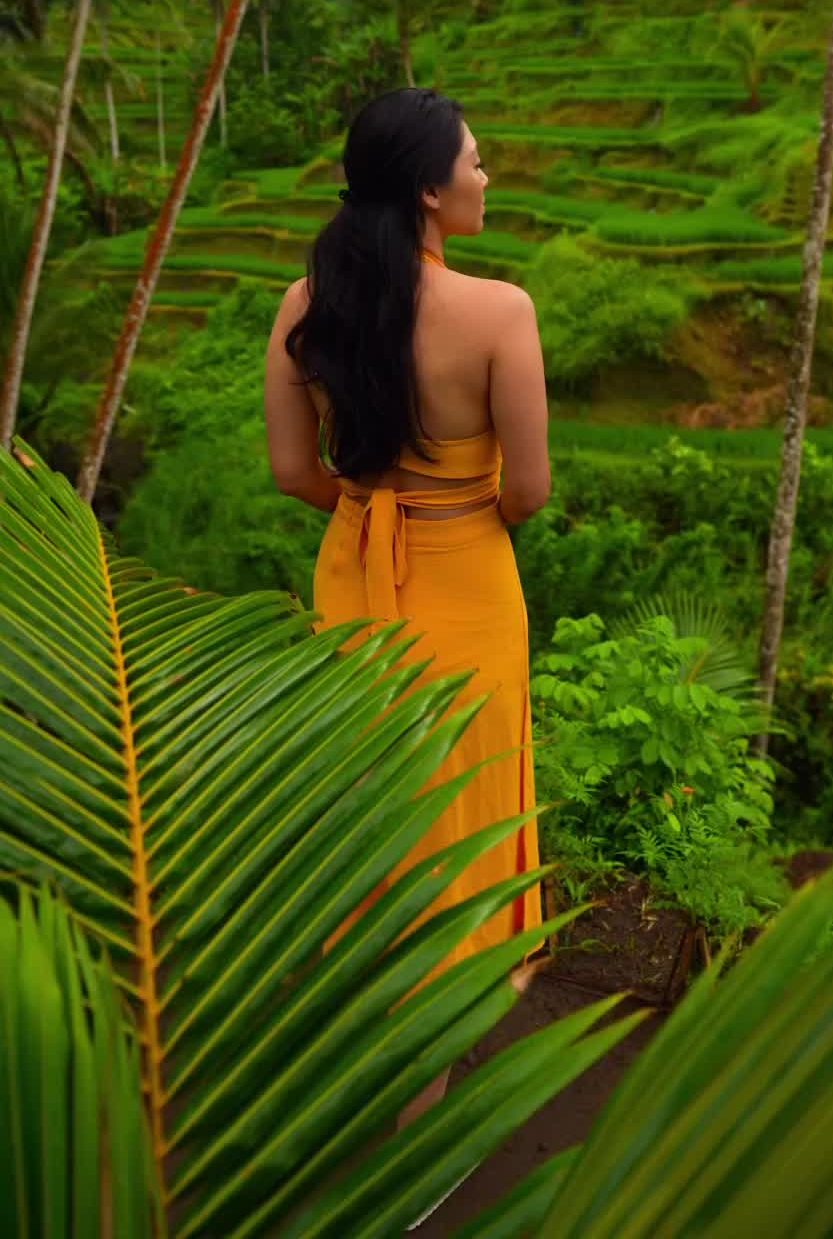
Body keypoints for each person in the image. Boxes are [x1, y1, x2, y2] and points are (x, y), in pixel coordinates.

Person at [264, 86, 551, 1137]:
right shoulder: (498, 314)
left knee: (376, 827)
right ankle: (418, 1134)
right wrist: (445, 510)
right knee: (454, 827)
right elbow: (527, 491)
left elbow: (294, 470)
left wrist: (374, 508)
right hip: (466, 577)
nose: (487, 175)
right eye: (476, 161)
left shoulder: (305, 306)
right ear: (431, 191)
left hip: (353, 576)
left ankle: (359, 1056)